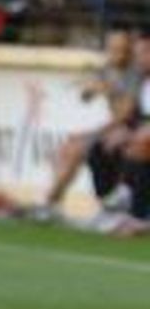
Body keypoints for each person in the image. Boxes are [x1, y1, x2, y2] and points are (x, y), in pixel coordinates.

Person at [35, 28, 139, 218]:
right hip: (114, 127)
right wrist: (89, 89)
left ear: (129, 50)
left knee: (78, 148)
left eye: (121, 49)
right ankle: (52, 202)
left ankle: (49, 204)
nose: (116, 54)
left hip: (129, 128)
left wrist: (108, 91)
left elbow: (125, 114)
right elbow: (86, 97)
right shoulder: (107, 68)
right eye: (112, 49)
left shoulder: (134, 72)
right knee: (68, 149)